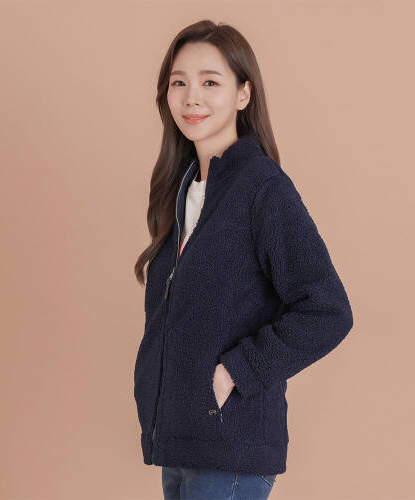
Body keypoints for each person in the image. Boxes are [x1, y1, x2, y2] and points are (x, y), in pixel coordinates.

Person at [133, 19, 354, 500]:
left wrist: (236, 372)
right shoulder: (182, 192)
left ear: (243, 94)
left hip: (230, 450)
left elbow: (328, 309)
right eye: (179, 83)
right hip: (181, 443)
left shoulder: (262, 188)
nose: (192, 98)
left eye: (210, 82)